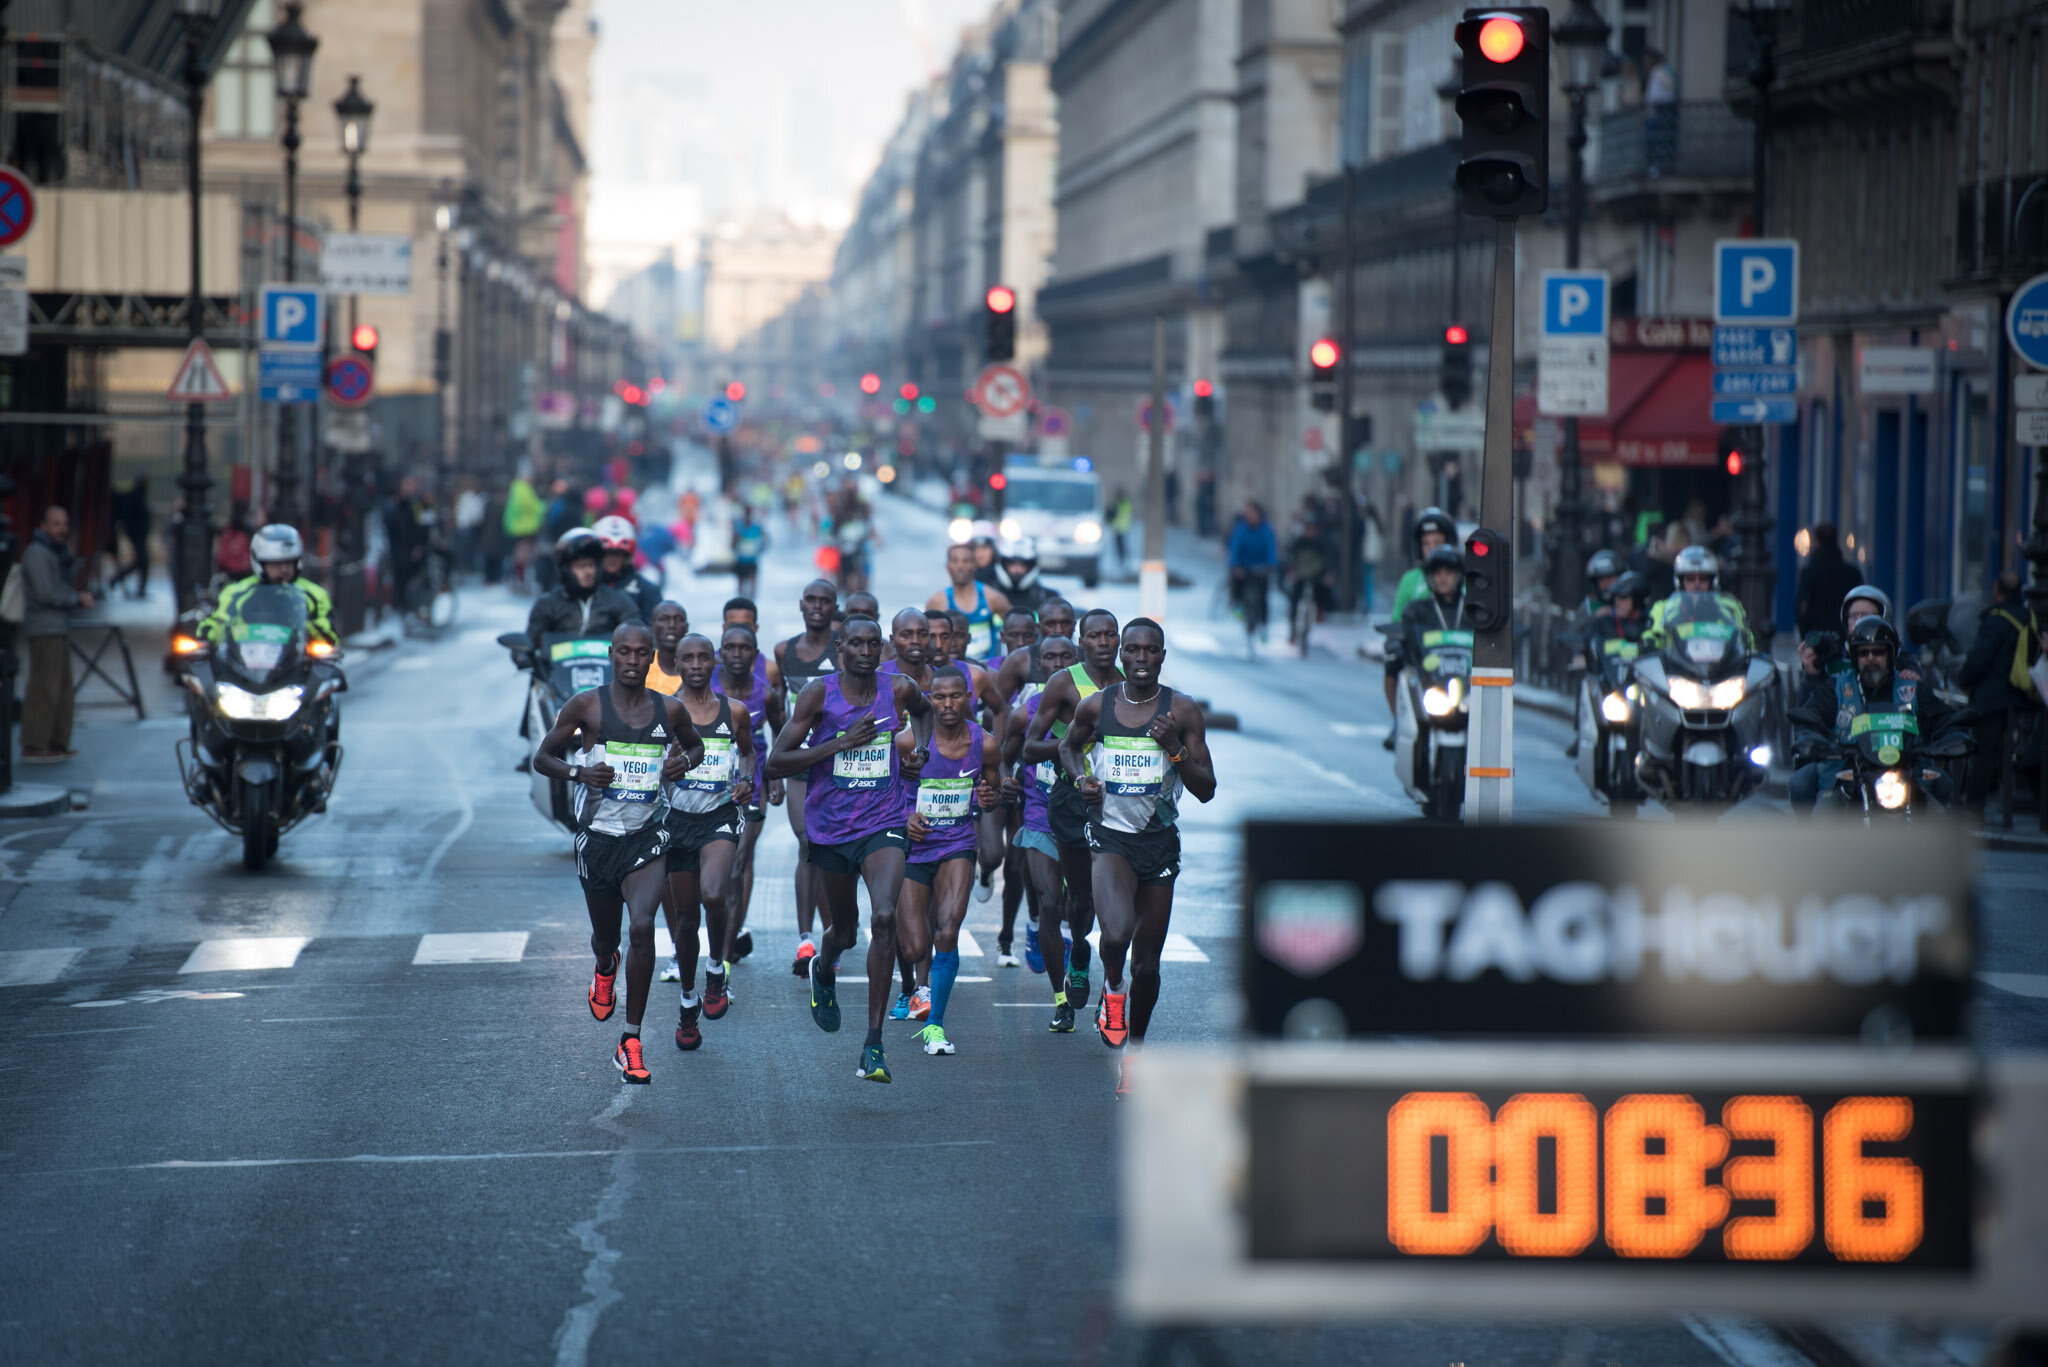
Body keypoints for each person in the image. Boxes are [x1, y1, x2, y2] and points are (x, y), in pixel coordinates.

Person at [531, 621, 705, 1084]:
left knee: (645, 927)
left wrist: (680, 763)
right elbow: (543, 758)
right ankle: (604, 965)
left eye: (640, 653)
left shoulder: (669, 709)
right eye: (623, 652)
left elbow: (697, 746)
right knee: (607, 939)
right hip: (598, 838)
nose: (632, 661)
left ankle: (631, 1039)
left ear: (652, 657)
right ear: (612, 654)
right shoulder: (587, 705)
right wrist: (579, 775)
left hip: (647, 836)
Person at [766, 614, 934, 1084]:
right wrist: (840, 742)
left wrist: (919, 752)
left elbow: (925, 712)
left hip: (884, 820)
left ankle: (873, 1044)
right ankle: (824, 964)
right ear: (840, 648)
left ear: (882, 650)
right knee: (845, 932)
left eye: (872, 644)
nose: (865, 651)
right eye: (855, 643)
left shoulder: (898, 688)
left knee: (884, 919)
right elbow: (778, 761)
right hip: (832, 829)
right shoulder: (819, 694)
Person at [1059, 619, 1216, 1097]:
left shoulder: (1182, 710)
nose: (1142, 659)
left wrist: (1173, 750)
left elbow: (1206, 790)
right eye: (1133, 651)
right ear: (1121, 656)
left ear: (1163, 656)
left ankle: (1137, 1055)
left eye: (1151, 651)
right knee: (1117, 933)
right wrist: (1081, 781)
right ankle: (1111, 987)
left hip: (1159, 843)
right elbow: (1068, 747)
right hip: (1111, 838)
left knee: (1147, 964)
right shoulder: (1097, 706)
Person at [1021, 608, 1123, 1029]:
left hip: (1119, 804)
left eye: (1109, 634)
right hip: (1070, 799)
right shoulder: (1064, 683)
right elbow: (1029, 748)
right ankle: (1079, 948)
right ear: (1082, 642)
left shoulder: (1130, 683)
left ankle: (1111, 989)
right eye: (1094, 635)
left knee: (1113, 899)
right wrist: (1077, 741)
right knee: (1078, 898)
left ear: (1118, 640)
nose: (1102, 641)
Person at [896, 666, 1002, 1056]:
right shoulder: (906, 742)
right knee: (913, 947)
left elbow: (992, 790)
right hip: (912, 849)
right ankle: (914, 988)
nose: (946, 704)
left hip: (957, 843)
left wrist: (990, 799)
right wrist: (904, 817)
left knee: (947, 931)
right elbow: (882, 794)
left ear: (969, 697)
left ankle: (935, 1026)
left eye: (955, 696)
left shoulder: (985, 744)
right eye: (938, 697)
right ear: (928, 700)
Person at [659, 634, 757, 1047]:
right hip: (677, 820)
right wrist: (668, 768)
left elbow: (749, 754)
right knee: (684, 919)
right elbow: (652, 765)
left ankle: (715, 968)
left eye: (703, 657)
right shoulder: (662, 712)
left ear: (713, 662)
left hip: (719, 814)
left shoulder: (734, 712)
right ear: (677, 664)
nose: (696, 664)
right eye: (688, 658)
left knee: (714, 895)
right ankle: (687, 1003)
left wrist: (747, 780)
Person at [1788, 614, 1958, 813]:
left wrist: (1953, 735)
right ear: (1854, 656)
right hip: (1846, 780)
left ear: (1890, 654)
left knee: (1941, 814)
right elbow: (1811, 715)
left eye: (1878, 651)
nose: (1871, 658)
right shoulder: (1837, 687)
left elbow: (1944, 718)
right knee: (1821, 821)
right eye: (1863, 653)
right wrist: (1813, 738)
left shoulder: (1910, 688)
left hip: (1906, 778)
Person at [773, 580, 841, 975]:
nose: (817, 607)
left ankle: (834, 930)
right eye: (811, 600)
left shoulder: (842, 647)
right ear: (801, 605)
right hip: (800, 764)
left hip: (838, 764)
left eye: (825, 601)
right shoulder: (785, 651)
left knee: (827, 848)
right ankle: (806, 939)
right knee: (806, 840)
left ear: (834, 607)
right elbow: (781, 714)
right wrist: (775, 771)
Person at [1001, 634, 1078, 978]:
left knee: (1077, 907)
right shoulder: (1023, 714)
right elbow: (1005, 759)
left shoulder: (1093, 707)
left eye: (1066, 657)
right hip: (1038, 814)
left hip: (1081, 817)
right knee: (1049, 901)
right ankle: (1060, 994)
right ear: (1039, 665)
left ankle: (1077, 947)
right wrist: (1006, 780)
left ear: (1077, 660)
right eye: (1051, 657)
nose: (1058, 664)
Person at [710, 622, 783, 968]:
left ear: (755, 656)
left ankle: (722, 960)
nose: (737, 654)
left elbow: (783, 734)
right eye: (730, 648)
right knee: (708, 876)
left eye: (744, 649)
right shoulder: (703, 684)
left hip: (749, 786)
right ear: (720, 653)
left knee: (737, 868)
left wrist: (775, 779)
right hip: (704, 789)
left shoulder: (765, 693)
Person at [17, 506, 95, 763]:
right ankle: (35, 743)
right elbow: (46, 592)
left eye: (65, 523)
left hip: (56, 626)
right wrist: (76, 598)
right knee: (45, 687)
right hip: (44, 627)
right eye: (56, 523)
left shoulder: (55, 552)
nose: (62, 528)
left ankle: (55, 741)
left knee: (62, 687)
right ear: (43, 526)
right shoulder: (37, 554)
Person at [1959, 572, 2040, 815]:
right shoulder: (2029, 617)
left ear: (1997, 591)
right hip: (2022, 697)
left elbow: (1978, 660)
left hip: (1992, 700)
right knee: (2013, 753)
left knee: (1983, 755)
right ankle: (2011, 805)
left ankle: (1974, 810)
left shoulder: (1995, 621)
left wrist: (1964, 679)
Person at [200, 523, 336, 646]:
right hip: (244, 664)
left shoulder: (315, 594)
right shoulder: (236, 592)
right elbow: (219, 622)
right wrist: (206, 635)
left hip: (297, 667)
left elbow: (329, 636)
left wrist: (301, 625)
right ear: (260, 563)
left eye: (289, 562)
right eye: (276, 563)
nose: (284, 569)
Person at [524, 529, 638, 651]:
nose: (588, 571)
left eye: (591, 565)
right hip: (556, 669)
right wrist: (522, 654)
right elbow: (528, 641)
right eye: (580, 566)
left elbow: (636, 638)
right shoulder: (548, 603)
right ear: (566, 569)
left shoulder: (618, 600)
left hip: (607, 669)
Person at [1642, 545, 1753, 651]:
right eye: (1690, 579)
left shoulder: (1730, 607)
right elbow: (1651, 636)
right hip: (1676, 669)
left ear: (1712, 582)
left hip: (1721, 668)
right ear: (1680, 582)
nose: (1697, 584)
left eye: (1703, 579)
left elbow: (1747, 642)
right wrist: (1649, 644)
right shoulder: (1664, 608)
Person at [927, 542, 1011, 663]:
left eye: (966, 561)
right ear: (948, 566)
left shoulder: (992, 598)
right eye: (955, 561)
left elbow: (1015, 629)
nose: (960, 566)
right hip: (951, 670)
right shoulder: (937, 602)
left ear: (974, 565)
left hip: (987, 667)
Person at [1793, 524, 1865, 638]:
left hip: (1817, 637)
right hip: (1844, 636)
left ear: (1817, 542)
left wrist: (1806, 637)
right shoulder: (1852, 573)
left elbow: (1802, 609)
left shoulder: (1809, 573)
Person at [1226, 502, 1279, 644]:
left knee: (1263, 596)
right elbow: (1235, 548)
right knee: (1237, 585)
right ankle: (1237, 605)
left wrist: (1271, 565)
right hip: (1244, 567)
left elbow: (1271, 549)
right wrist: (1235, 566)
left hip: (1261, 567)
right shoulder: (1241, 529)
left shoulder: (1266, 530)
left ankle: (1263, 625)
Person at [1282, 512, 1335, 648]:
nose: (1310, 532)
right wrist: (1291, 572)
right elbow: (1290, 558)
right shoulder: (1298, 542)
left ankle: (1320, 612)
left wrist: (1328, 574)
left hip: (1316, 576)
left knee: (1322, 593)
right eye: (1308, 529)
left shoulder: (1321, 543)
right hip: (1300, 575)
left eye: (1312, 529)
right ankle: (1293, 629)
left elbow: (1328, 560)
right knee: (1295, 600)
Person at [593, 515, 661, 622]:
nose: (612, 558)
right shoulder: (584, 587)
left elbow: (654, 631)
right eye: (607, 553)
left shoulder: (647, 591)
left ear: (627, 556)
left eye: (618, 553)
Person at [504, 472, 546, 590]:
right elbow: (532, 506)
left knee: (521, 555)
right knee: (522, 555)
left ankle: (519, 580)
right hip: (524, 527)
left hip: (519, 527)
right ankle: (520, 580)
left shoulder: (517, 488)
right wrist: (543, 506)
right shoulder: (523, 489)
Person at [991, 537, 1053, 618]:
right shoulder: (987, 595)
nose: (1017, 570)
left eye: (1022, 565)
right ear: (1004, 564)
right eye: (1012, 564)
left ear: (1031, 566)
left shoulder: (1048, 598)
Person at [114, 476, 151, 599]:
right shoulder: (135, 497)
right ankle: (117, 579)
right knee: (142, 561)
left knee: (141, 562)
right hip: (137, 534)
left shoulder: (137, 496)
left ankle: (118, 580)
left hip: (138, 534)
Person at [645, 600, 689, 698]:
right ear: (652, 627)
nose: (671, 625)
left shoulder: (699, 667)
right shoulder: (642, 663)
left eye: (678, 619)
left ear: (686, 627)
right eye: (664, 619)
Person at [732, 504, 765, 599]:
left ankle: (751, 602)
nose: (747, 516)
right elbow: (732, 544)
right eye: (746, 513)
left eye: (749, 513)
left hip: (752, 560)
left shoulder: (757, 527)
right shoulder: (738, 527)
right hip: (741, 560)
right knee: (741, 585)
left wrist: (760, 549)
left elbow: (765, 539)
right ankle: (742, 602)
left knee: (752, 584)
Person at [1110, 488, 1134, 569]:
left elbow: (1112, 515)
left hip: (1118, 527)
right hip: (1124, 527)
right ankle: (1124, 560)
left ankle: (1122, 560)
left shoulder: (1118, 503)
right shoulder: (1127, 503)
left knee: (1120, 546)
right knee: (1123, 545)